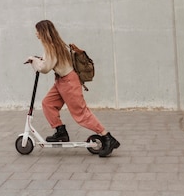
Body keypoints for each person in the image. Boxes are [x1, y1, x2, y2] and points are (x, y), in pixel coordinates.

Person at [24, 20, 120, 157]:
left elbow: (45, 68)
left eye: (37, 31)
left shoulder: (51, 47)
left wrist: (33, 60)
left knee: (81, 114)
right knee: (48, 103)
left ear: (43, 32)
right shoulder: (54, 44)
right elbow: (49, 61)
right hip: (61, 81)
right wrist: (37, 59)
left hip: (69, 82)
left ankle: (108, 137)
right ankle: (61, 132)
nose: (36, 34)